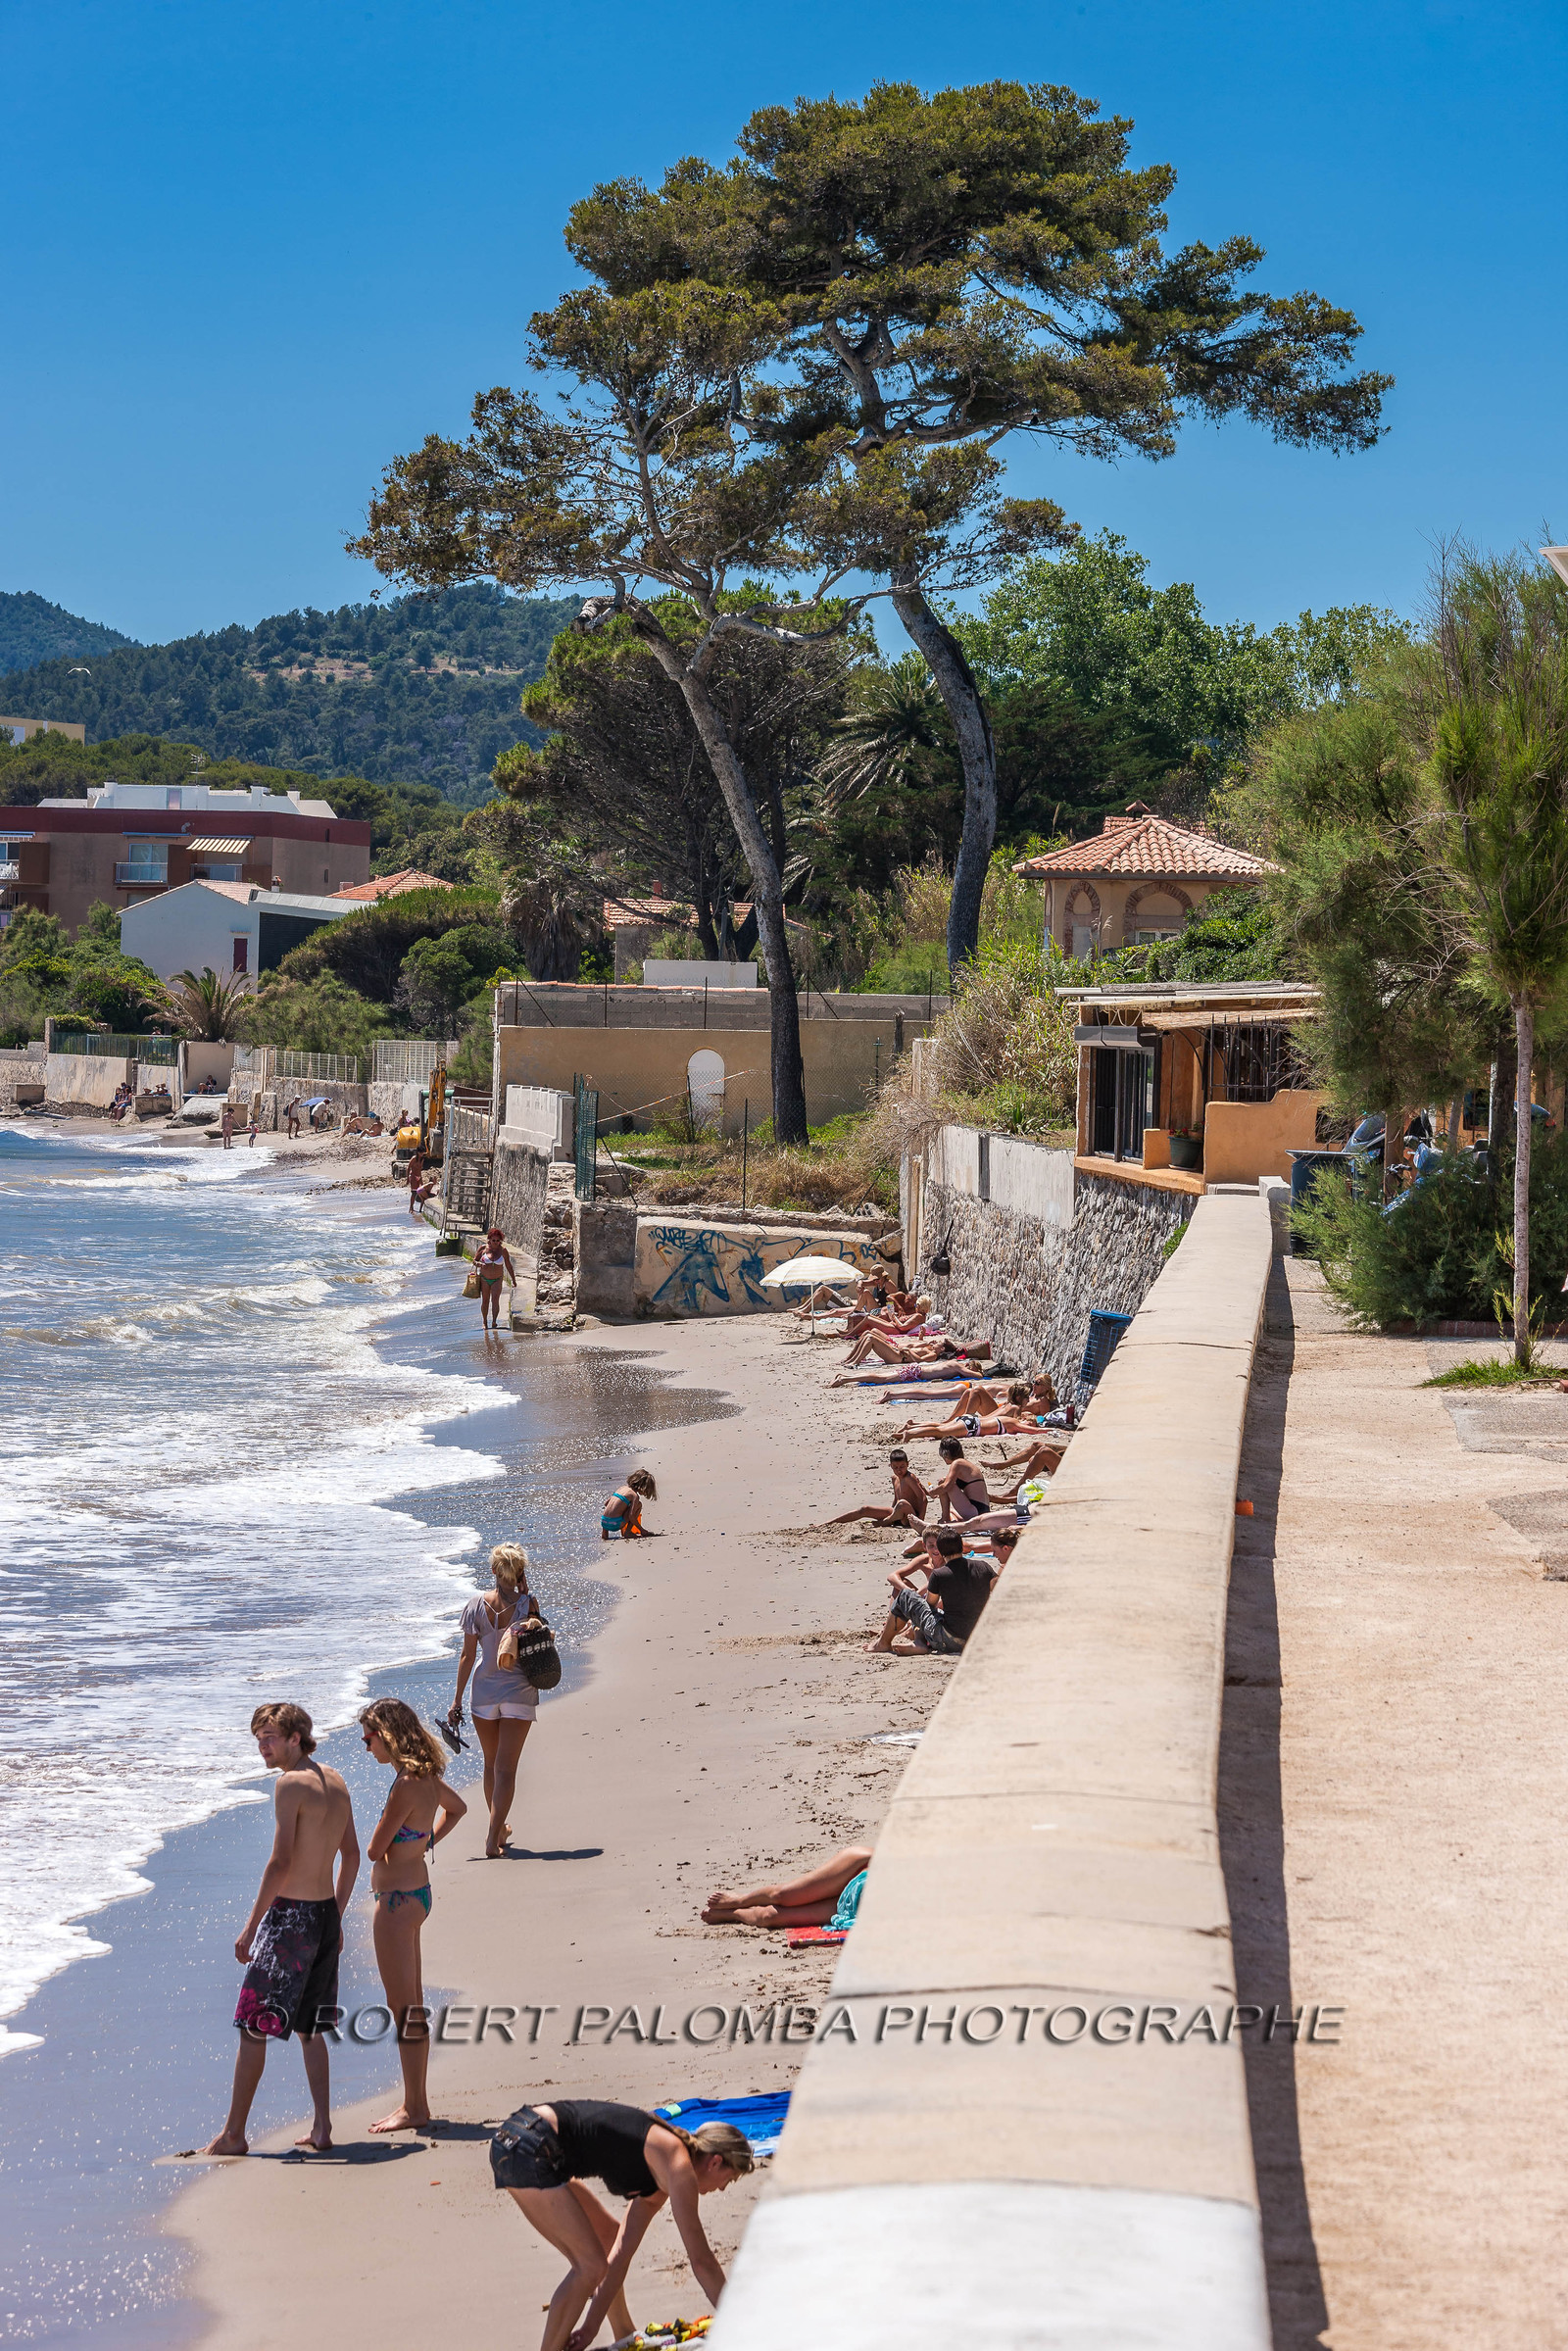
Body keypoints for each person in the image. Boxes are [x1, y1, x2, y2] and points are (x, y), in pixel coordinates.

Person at [205, 1702, 359, 2156]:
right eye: (258, 1737)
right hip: (323, 1916)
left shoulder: (289, 1784)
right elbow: (350, 1855)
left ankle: (234, 2134)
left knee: (253, 2026)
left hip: (290, 1919)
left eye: (270, 1736)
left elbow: (281, 1862)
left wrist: (251, 1927)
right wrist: (338, 1915)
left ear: (297, 1737)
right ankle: (323, 2128)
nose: (262, 1746)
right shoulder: (336, 1779)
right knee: (311, 2027)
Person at [489, 2100, 754, 2351]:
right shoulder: (678, 2165)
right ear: (715, 2161)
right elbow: (701, 2260)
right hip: (530, 2147)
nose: (721, 2188)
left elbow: (621, 2253)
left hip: (518, 2140)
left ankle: (623, 2334)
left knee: (609, 2238)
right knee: (590, 2266)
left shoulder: (659, 2182)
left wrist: (590, 2327)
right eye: (727, 2180)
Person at [359, 1697, 466, 2133]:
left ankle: (414, 2107)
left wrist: (409, 1843)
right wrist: (425, 1842)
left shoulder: (405, 1784)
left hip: (398, 1902)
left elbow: (373, 1848)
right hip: (417, 1894)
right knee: (412, 2004)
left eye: (369, 1738)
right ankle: (416, 2103)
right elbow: (456, 1809)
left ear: (387, 1735)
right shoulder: (427, 1777)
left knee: (403, 2008)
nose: (366, 1747)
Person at [449, 1543, 540, 1857]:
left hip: (483, 1691)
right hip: (518, 1690)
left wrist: (456, 1700)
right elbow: (541, 1644)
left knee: (491, 1765)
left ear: (493, 1570)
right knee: (506, 1770)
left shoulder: (476, 1605)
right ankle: (492, 1836)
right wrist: (526, 1595)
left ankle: (498, 1829)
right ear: (519, 1572)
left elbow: (466, 1656)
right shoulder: (527, 1604)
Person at [866, 1531, 999, 1656]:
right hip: (977, 1637)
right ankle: (918, 1642)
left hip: (950, 1640)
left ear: (941, 1551)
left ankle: (884, 1643)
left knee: (906, 1596)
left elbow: (930, 1605)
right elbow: (999, 1589)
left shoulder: (939, 1574)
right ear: (962, 1547)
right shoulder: (984, 1566)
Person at [703, 1845, 872, 1928]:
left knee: (769, 1917)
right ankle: (741, 1900)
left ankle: (734, 1914)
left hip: (855, 1907)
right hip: (862, 1868)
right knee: (783, 1895)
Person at [814, 1448, 929, 1529]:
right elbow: (896, 1498)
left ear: (908, 1464)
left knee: (902, 1504)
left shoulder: (910, 1477)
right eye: (896, 1467)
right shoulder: (894, 1478)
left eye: (902, 1467)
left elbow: (923, 1498)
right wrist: (891, 1513)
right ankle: (828, 1523)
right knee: (864, 1509)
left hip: (911, 1516)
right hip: (898, 1514)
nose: (899, 1470)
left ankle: (886, 1522)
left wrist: (920, 1521)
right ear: (890, 1466)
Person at [933, 1436, 993, 1521]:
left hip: (975, 1511)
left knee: (943, 1482)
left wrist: (931, 1493)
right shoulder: (966, 1464)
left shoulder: (957, 1463)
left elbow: (946, 1486)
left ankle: (945, 1519)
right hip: (983, 1510)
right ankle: (947, 1518)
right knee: (951, 1512)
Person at [474, 1225, 515, 1331]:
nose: (496, 1242)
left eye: (498, 1240)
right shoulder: (483, 1249)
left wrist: (513, 1280)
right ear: (489, 1239)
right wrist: (479, 1265)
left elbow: (508, 1265)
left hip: (497, 1279)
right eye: (493, 1240)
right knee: (485, 1301)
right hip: (484, 1279)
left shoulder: (503, 1251)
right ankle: (484, 1322)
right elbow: (474, 1261)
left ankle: (494, 1321)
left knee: (495, 1300)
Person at [602, 1468, 658, 1541]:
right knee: (639, 1505)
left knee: (614, 1509)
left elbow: (606, 1503)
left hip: (604, 1522)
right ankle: (628, 1532)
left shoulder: (622, 1488)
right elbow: (631, 1516)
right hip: (616, 1524)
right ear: (642, 1487)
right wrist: (641, 1530)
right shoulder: (634, 1496)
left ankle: (604, 1534)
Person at [405, 1144, 428, 1211]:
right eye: (421, 1152)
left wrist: (421, 1179)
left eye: (423, 1152)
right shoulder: (414, 1159)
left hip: (418, 1176)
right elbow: (408, 1168)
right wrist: (407, 1179)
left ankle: (419, 1208)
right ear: (418, 1152)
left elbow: (420, 1170)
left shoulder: (422, 1159)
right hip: (413, 1176)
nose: (422, 1154)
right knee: (414, 1193)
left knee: (420, 1192)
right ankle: (411, 1207)